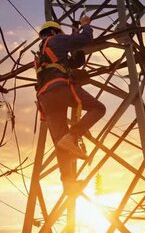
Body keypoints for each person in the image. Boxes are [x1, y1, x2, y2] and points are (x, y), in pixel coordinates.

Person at [34, 15, 106, 191]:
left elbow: (76, 62)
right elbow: (85, 39)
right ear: (53, 31)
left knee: (61, 143)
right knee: (98, 108)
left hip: (45, 99)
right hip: (59, 88)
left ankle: (68, 183)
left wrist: (76, 43)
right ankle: (73, 136)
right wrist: (85, 26)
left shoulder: (41, 54)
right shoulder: (56, 39)